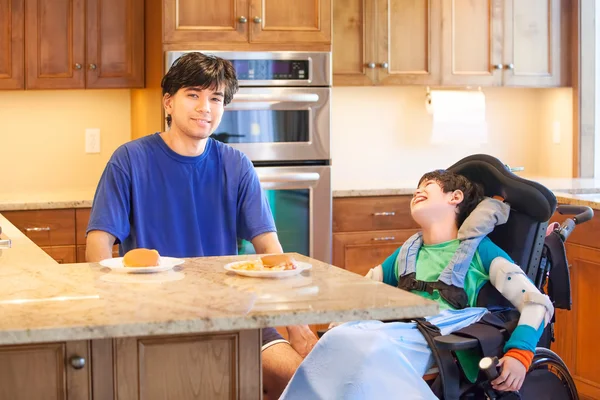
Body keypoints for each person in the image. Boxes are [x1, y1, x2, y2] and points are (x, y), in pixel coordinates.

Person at [85, 52, 317, 399]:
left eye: (216, 98)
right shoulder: (130, 160)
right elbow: (98, 246)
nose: (205, 107)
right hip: (154, 321)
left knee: (304, 385)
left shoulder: (236, 164)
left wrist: (297, 328)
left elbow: (270, 250)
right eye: (193, 94)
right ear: (168, 101)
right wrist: (113, 321)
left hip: (236, 318)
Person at [280, 170, 554, 399]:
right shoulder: (408, 252)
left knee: (356, 344)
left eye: (428, 186)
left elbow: (537, 302)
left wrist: (520, 353)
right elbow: (361, 292)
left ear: (455, 197)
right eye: (416, 188)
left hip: (447, 338)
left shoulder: (480, 250)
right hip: (403, 330)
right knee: (337, 339)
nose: (418, 191)